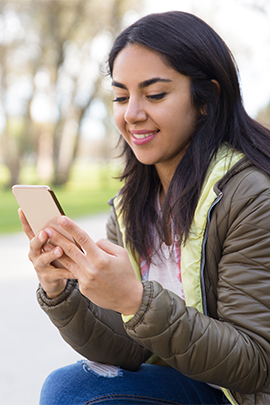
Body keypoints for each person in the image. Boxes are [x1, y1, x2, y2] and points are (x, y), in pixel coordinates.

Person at [19, 10, 270, 405]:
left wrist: (136, 300)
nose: (131, 113)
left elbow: (256, 363)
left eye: (154, 95)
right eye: (121, 96)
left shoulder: (251, 197)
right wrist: (61, 289)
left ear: (207, 99)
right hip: (189, 383)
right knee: (70, 386)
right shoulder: (131, 205)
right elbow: (128, 351)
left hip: (241, 394)